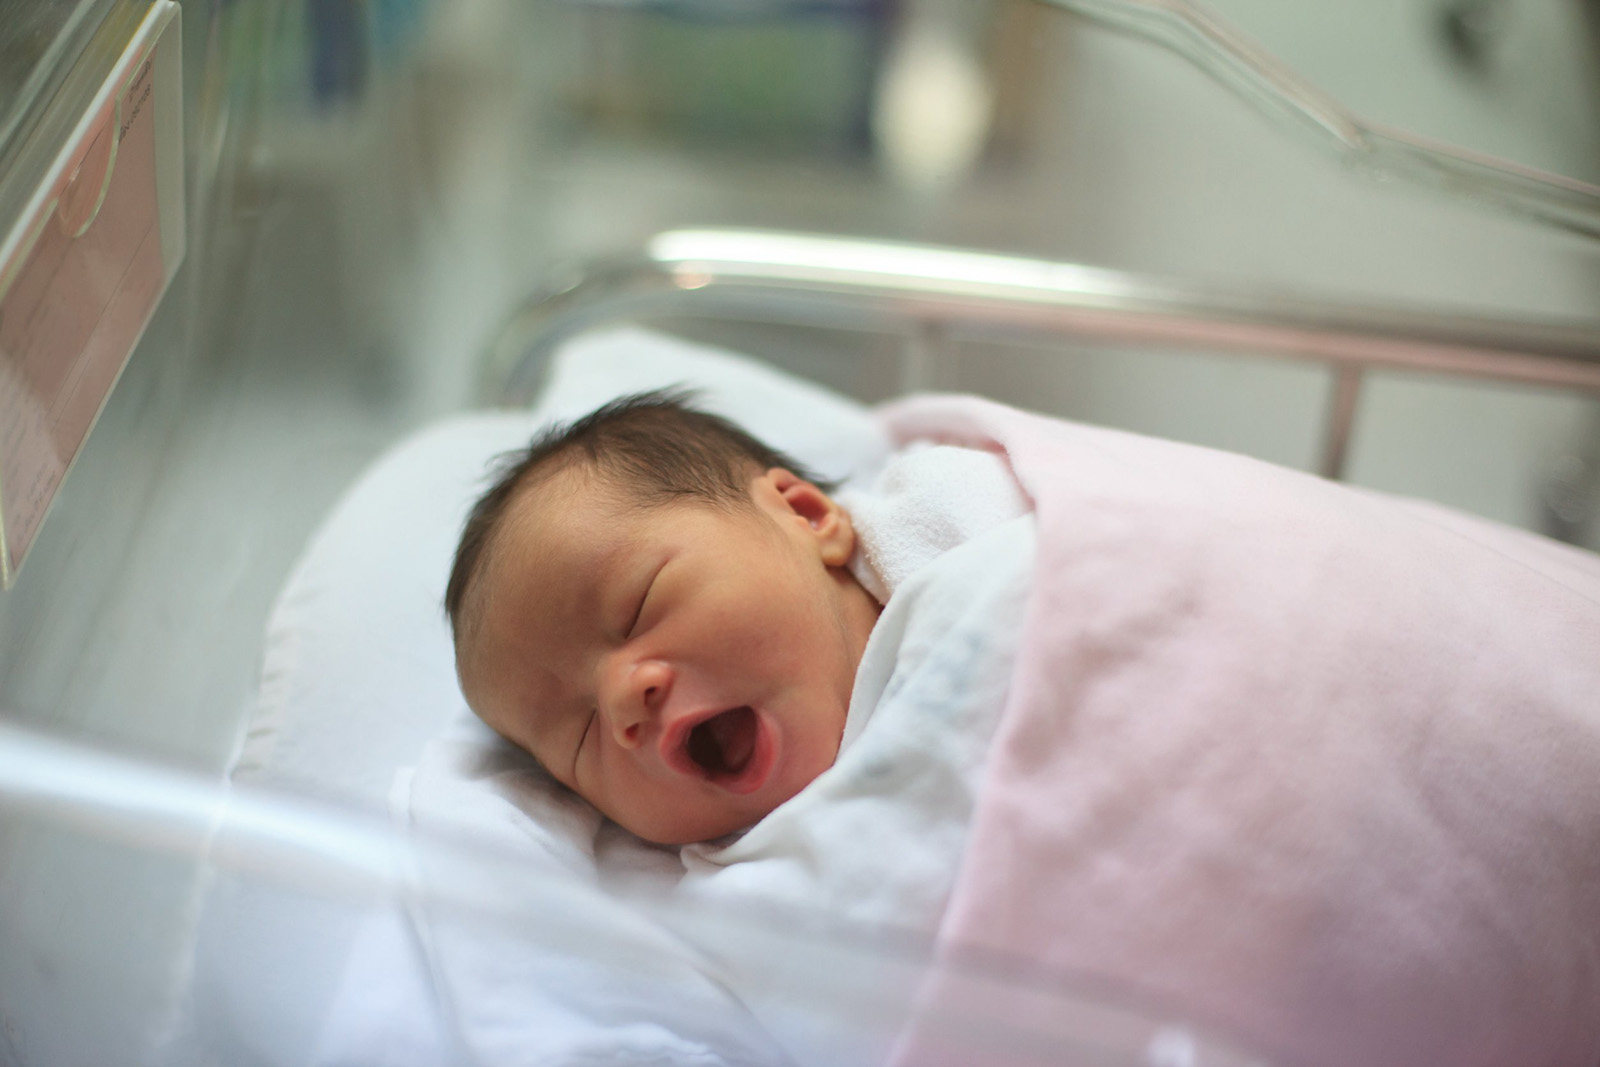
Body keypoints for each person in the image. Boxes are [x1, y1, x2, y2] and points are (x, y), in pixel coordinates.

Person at [445, 390, 882, 846]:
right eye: (581, 738)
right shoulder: (736, 893)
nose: (621, 699)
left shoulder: (948, 558)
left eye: (639, 608)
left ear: (804, 515)